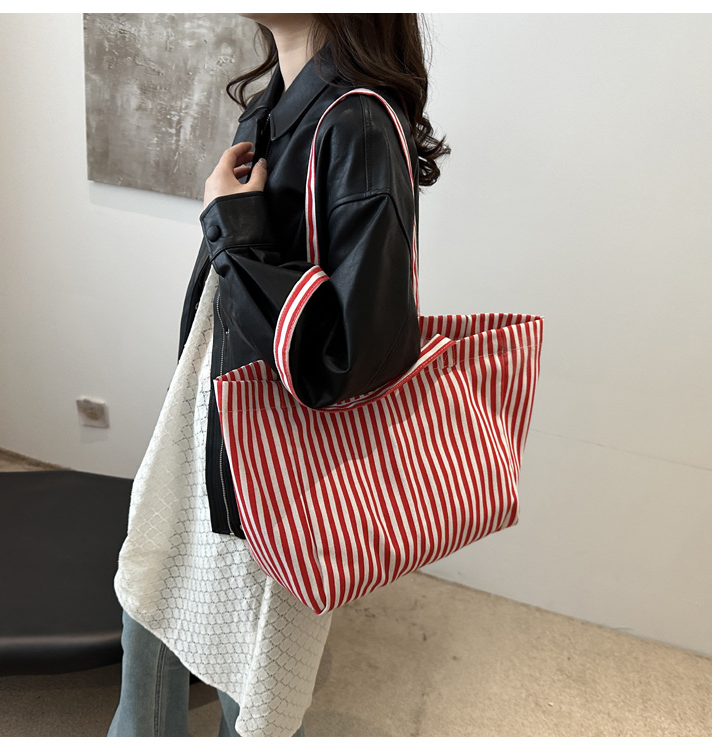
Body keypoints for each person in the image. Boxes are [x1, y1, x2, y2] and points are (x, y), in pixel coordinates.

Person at [108, 13, 449, 737]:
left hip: (275, 457)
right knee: (150, 597)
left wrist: (234, 225)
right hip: (211, 412)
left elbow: (354, 355)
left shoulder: (357, 124)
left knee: (244, 670)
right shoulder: (273, 101)